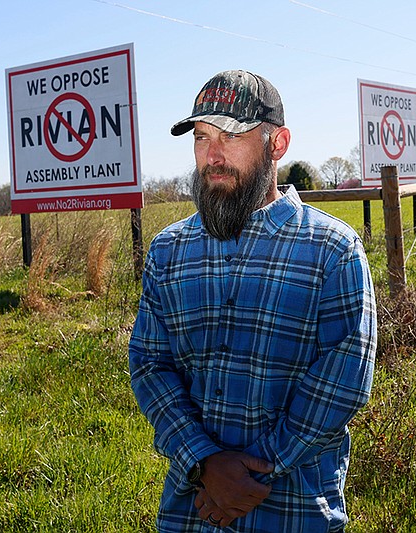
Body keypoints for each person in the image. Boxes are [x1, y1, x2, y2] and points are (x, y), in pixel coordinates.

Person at [128, 69, 377, 532]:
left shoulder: (332, 252)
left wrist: (244, 476)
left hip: (294, 514)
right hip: (190, 514)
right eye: (202, 137)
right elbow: (149, 364)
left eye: (232, 135)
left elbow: (341, 385)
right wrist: (203, 462)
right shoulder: (168, 252)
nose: (212, 155)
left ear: (277, 144)